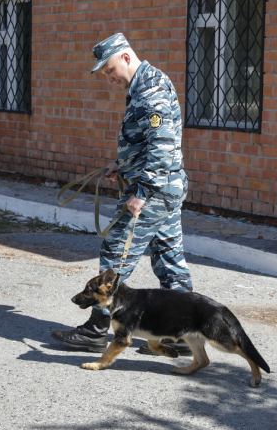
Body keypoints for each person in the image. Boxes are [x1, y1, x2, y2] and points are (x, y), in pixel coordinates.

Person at [51, 33, 193, 356]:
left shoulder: (152, 88)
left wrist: (141, 191)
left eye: (110, 69)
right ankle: (182, 333)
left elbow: (163, 146)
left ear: (126, 58)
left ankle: (97, 330)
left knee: (114, 252)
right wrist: (122, 162)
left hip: (153, 193)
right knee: (170, 261)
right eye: (104, 73)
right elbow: (146, 141)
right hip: (165, 190)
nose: (109, 78)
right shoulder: (141, 87)